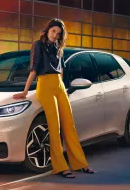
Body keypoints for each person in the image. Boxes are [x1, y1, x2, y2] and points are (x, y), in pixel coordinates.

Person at [13, 18, 95, 178]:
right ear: (47, 30)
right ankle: (60, 167)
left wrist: (63, 87)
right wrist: (25, 91)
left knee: (70, 126)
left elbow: (61, 70)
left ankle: (80, 163)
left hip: (59, 86)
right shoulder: (38, 45)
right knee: (54, 127)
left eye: (58, 33)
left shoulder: (58, 48)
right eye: (53, 31)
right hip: (45, 86)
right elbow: (34, 69)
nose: (55, 35)